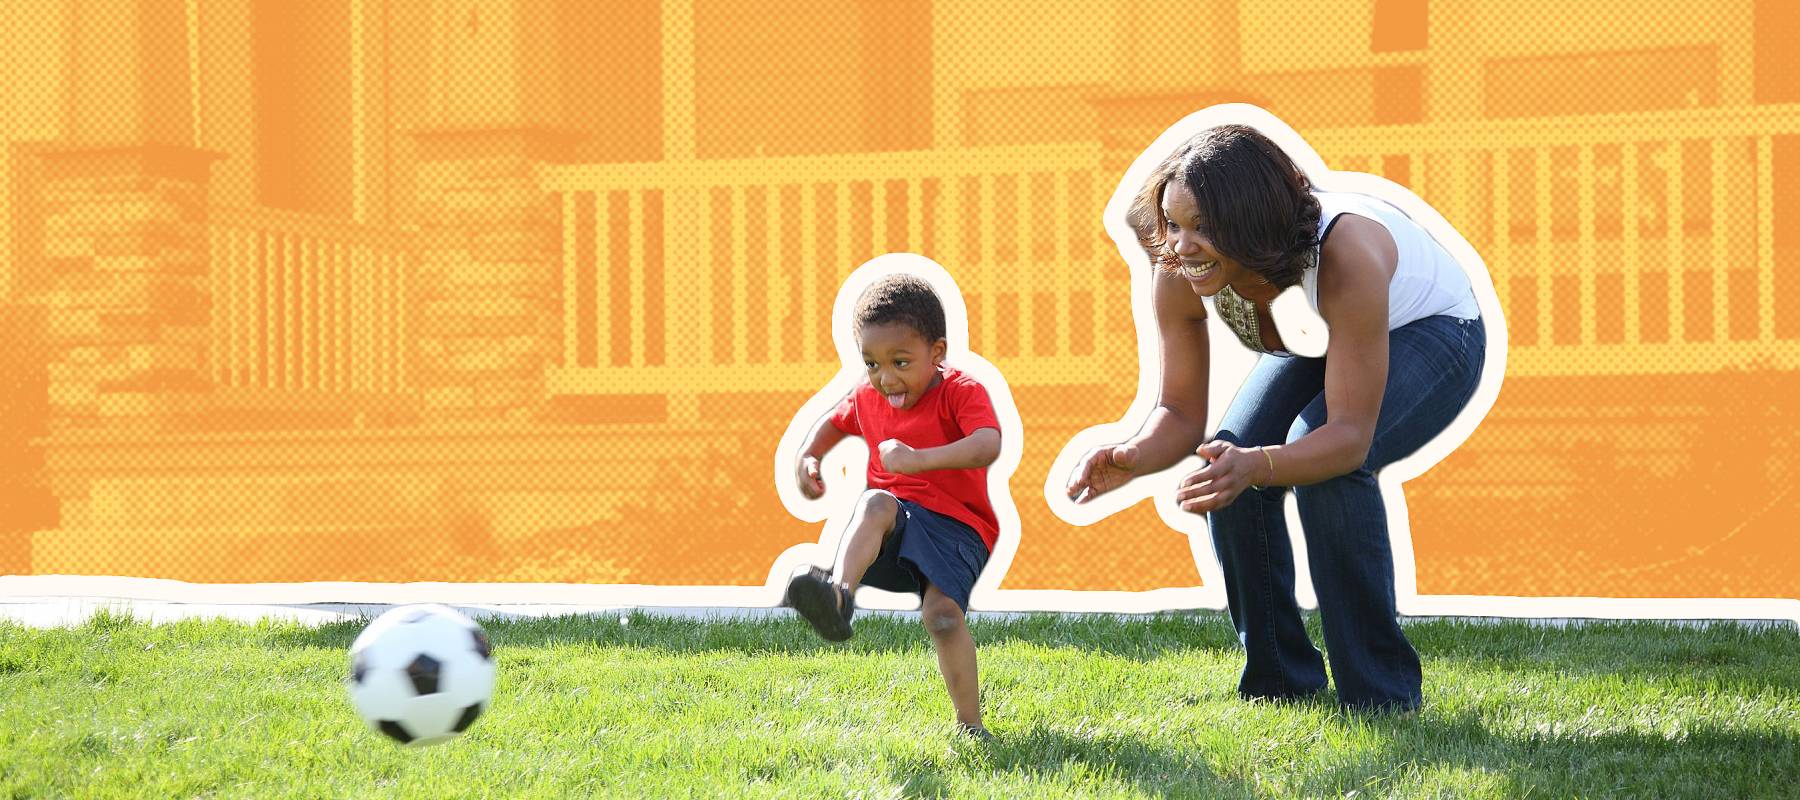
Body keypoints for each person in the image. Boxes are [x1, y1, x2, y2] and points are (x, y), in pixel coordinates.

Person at [1064, 124, 1487, 712]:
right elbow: (1180, 413)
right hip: (1336, 341)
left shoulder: (1346, 253)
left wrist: (1262, 463)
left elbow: (1346, 440)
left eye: (1202, 228)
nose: (1182, 245)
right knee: (1225, 463)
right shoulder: (1179, 262)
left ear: (1250, 218)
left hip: (1435, 332)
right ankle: (1280, 684)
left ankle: (1379, 695)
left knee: (1326, 464)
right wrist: (1134, 456)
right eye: (1174, 224)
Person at [787, 273, 1003, 738]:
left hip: (957, 529)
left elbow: (987, 444)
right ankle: (839, 596)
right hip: (894, 525)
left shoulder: (961, 391)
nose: (885, 378)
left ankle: (971, 726)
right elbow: (835, 421)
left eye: (900, 362)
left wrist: (919, 461)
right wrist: (810, 456)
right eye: (871, 364)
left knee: (942, 617)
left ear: (937, 353)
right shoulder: (869, 396)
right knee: (877, 502)